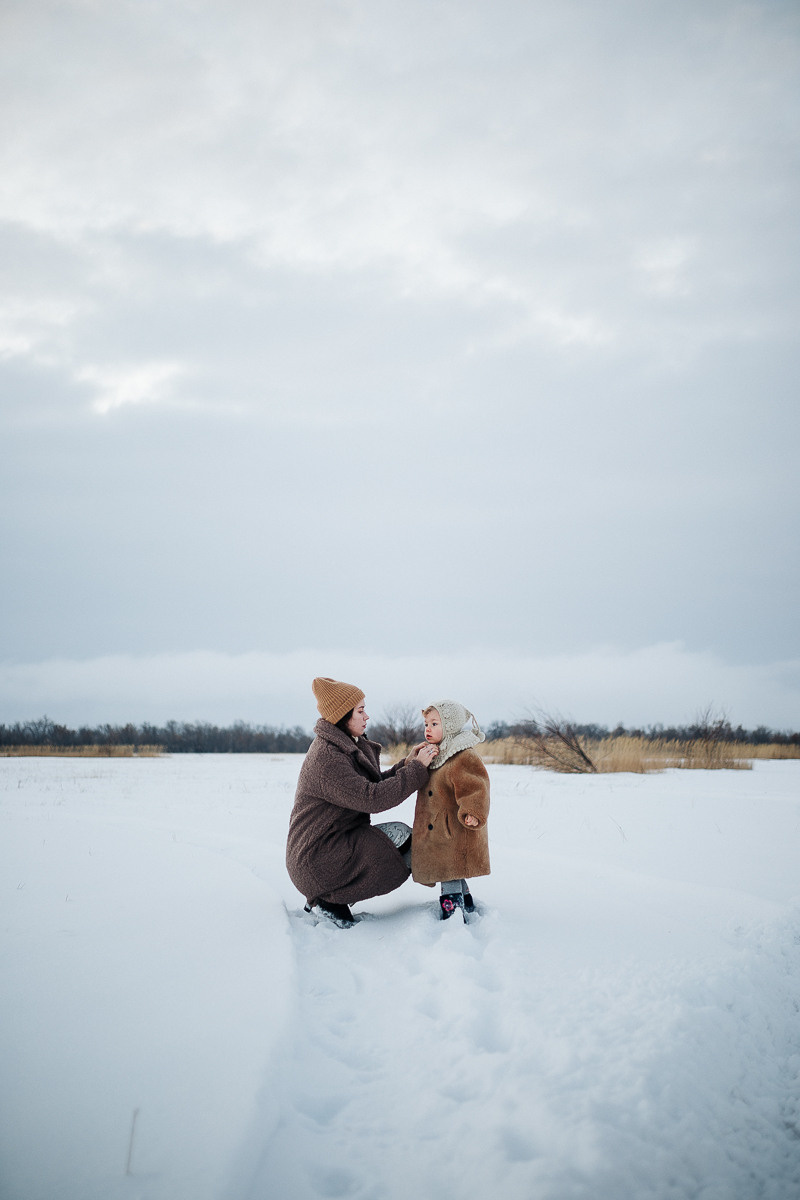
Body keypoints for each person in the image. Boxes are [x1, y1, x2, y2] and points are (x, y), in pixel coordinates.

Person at [286, 676, 437, 927]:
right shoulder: (327, 758)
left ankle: (331, 897)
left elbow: (373, 785)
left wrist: (407, 764)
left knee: (404, 838)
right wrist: (416, 771)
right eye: (361, 710)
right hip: (317, 858)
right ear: (343, 716)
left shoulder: (344, 745)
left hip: (333, 845)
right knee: (404, 842)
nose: (367, 717)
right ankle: (327, 898)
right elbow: (372, 798)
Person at [411, 701, 491, 921]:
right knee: (451, 867)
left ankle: (453, 906)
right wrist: (417, 757)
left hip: (454, 826)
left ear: (450, 726)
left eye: (434, 723)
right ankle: (466, 899)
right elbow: (411, 770)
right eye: (426, 723)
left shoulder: (462, 755)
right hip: (435, 825)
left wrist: (473, 811)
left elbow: (476, 786)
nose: (428, 728)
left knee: (449, 865)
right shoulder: (431, 752)